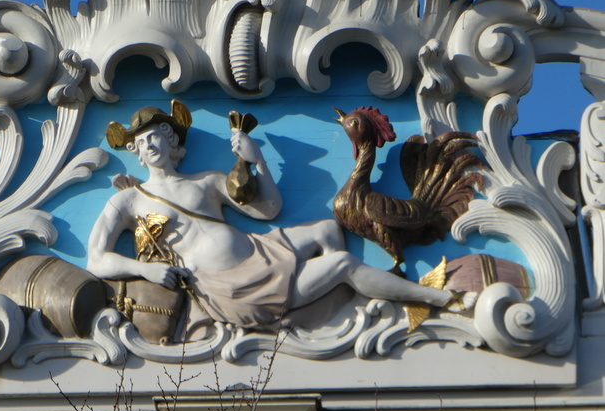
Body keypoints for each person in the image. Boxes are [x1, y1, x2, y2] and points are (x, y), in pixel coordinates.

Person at [87, 101, 475, 337]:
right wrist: (146, 270)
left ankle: (335, 309)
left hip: (261, 250)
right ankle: (435, 297)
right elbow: (97, 260)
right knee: (342, 263)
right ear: (136, 151)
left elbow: (268, 209)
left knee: (328, 227)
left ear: (171, 140)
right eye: (142, 141)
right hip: (229, 286)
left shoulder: (206, 181)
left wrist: (257, 160)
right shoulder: (128, 200)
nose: (150, 144)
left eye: (156, 135)